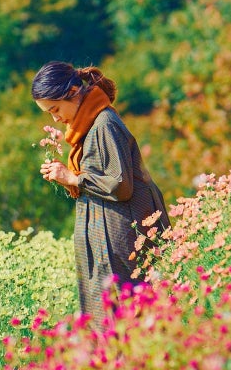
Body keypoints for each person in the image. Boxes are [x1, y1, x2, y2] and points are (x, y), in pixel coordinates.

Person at [33, 61, 169, 319]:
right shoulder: (87, 127)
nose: (55, 118)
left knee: (136, 312)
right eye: (48, 113)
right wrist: (69, 178)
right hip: (107, 235)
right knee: (112, 315)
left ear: (73, 91)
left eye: (55, 109)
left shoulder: (104, 123)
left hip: (124, 236)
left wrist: (74, 179)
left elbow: (120, 185)